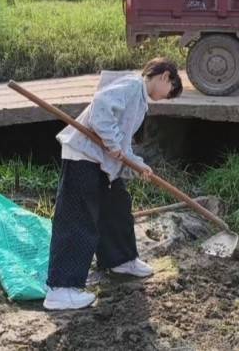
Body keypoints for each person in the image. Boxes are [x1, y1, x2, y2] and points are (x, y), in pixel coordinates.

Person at [44, 58, 183, 310]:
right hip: (84, 157)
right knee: (78, 218)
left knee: (117, 208)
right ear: (165, 76)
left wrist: (138, 165)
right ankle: (61, 290)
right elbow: (100, 108)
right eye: (170, 90)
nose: (167, 96)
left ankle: (120, 260)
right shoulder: (132, 85)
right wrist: (112, 143)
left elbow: (122, 145)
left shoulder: (140, 101)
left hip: (102, 163)